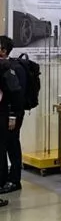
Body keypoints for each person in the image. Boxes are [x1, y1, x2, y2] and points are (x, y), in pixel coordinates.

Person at [0, 36, 26, 196]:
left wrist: (12, 116)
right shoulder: (3, 66)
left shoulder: (14, 68)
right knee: (4, 146)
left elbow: (17, 95)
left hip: (13, 114)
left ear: (3, 50)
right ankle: (4, 179)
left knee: (13, 145)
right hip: (5, 113)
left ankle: (15, 180)